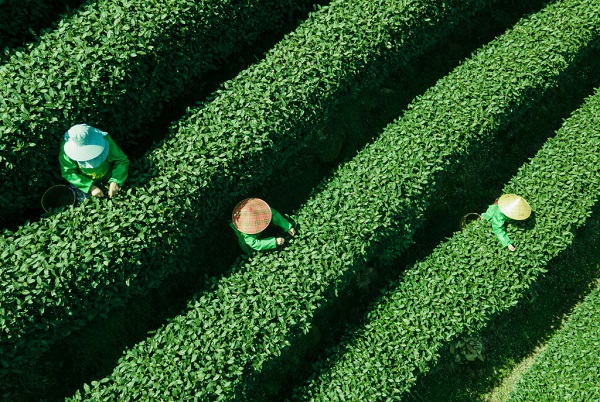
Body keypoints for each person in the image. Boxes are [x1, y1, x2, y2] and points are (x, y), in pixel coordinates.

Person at [59, 124, 130, 201]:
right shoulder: (66, 151)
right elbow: (68, 172)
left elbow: (121, 160)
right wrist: (89, 186)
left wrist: (115, 180)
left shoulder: (105, 139)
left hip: (109, 176)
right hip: (85, 182)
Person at [230, 198, 296, 253]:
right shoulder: (246, 233)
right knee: (247, 248)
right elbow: (255, 244)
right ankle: (249, 253)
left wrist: (288, 227)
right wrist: (274, 241)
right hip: (245, 239)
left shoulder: (261, 209)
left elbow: (274, 215)